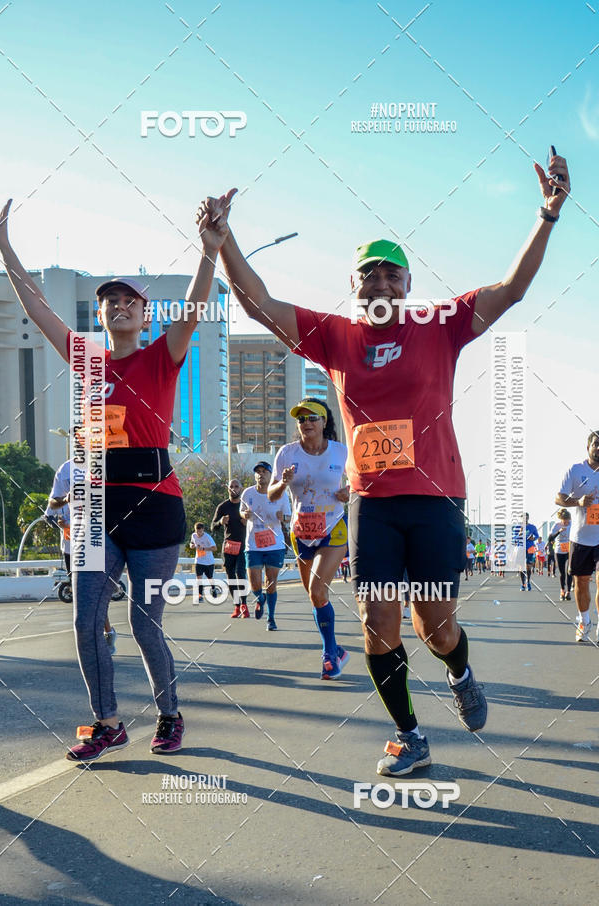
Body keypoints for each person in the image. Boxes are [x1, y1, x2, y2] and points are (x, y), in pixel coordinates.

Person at [202, 147, 569, 775]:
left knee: (435, 627)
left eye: (390, 274)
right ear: (353, 285)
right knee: (377, 625)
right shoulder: (335, 336)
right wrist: (223, 240)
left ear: (408, 284)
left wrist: (548, 213)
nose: (379, 283)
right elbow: (258, 303)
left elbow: (511, 289)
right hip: (372, 503)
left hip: (435, 498)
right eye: (368, 275)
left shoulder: (440, 324)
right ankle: (408, 734)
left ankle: (460, 672)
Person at [0, 190, 234, 761]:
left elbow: (195, 307)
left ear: (144, 315)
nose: (119, 306)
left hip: (155, 506)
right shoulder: (87, 360)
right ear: (99, 315)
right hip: (97, 508)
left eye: (130, 301)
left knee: (145, 622)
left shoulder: (163, 356)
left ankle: (169, 714)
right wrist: (3, 244)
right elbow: (37, 307)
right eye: (110, 302)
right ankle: (107, 723)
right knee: (86, 620)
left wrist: (210, 249)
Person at [268, 397, 350, 679]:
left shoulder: (340, 451)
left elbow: (360, 483)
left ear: (324, 421)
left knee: (317, 590)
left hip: (333, 527)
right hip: (301, 532)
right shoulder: (287, 453)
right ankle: (337, 650)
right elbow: (272, 495)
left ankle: (329, 655)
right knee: (316, 597)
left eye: (312, 418)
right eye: (301, 419)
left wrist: (348, 492)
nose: (306, 423)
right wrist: (283, 482)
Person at [46, 460, 117, 655]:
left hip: (93, 541)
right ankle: (102, 634)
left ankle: (105, 634)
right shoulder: (65, 469)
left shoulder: (102, 464)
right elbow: (52, 504)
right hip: (70, 547)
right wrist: (65, 501)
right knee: (80, 595)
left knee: (92, 593)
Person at [555, 431, 599, 641]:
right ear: (588, 447)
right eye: (596, 444)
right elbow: (559, 498)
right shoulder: (575, 470)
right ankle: (584, 620)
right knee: (580, 582)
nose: (598, 448)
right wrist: (578, 502)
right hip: (580, 538)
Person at [240, 462, 291, 630]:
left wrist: (282, 517)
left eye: (264, 471)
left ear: (271, 475)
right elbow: (241, 511)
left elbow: (289, 517)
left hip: (274, 545)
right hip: (253, 545)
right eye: (258, 472)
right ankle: (260, 598)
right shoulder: (248, 493)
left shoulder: (281, 494)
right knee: (254, 585)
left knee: (271, 583)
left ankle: (271, 618)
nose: (260, 474)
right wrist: (244, 514)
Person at [211, 478, 249, 618]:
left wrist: (248, 523)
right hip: (228, 546)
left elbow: (258, 524)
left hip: (243, 545)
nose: (234, 488)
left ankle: (244, 605)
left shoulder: (245, 506)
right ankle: (237, 606)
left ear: (241, 489)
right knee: (231, 576)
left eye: (236, 486)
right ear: (228, 489)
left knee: (240, 573)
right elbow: (212, 526)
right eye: (231, 486)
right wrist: (220, 522)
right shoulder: (223, 507)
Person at [190, 522, 218, 602]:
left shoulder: (207, 537)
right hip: (199, 560)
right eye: (197, 531)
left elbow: (215, 548)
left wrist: (204, 549)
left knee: (210, 578)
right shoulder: (193, 535)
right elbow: (192, 542)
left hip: (208, 561)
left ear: (203, 530)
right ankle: (200, 596)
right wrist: (191, 545)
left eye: (200, 531)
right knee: (198, 578)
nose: (198, 533)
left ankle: (213, 589)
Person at [549, 508, 572, 601]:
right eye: (565, 520)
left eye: (568, 520)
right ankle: (562, 590)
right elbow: (550, 538)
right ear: (561, 519)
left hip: (569, 550)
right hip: (559, 551)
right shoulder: (556, 525)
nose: (567, 522)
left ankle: (568, 592)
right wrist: (559, 532)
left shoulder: (572, 524)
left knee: (569, 570)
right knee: (562, 572)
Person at [514, 513, 539, 592]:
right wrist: (519, 533)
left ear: (528, 518)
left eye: (526, 518)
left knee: (528, 566)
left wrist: (533, 538)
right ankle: (523, 584)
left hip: (530, 547)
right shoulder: (517, 527)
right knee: (521, 566)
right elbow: (514, 538)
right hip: (521, 547)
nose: (525, 519)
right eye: (523, 518)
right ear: (521, 519)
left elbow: (537, 536)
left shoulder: (532, 527)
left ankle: (528, 582)